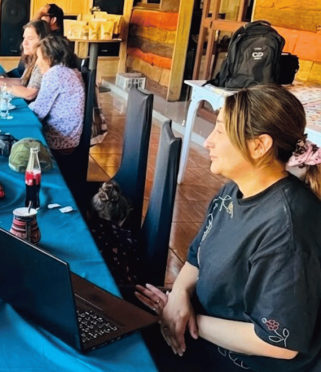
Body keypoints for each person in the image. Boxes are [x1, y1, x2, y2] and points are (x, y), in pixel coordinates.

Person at [137, 85, 321, 372]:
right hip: (199, 326)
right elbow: (196, 258)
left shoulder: (289, 228)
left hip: (235, 360)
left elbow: (279, 342)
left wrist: (184, 317)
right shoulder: (231, 192)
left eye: (220, 131)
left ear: (259, 146)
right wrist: (178, 297)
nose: (208, 141)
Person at [28, 35, 85, 157]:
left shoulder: (55, 74)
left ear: (50, 57)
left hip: (59, 141)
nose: (37, 62)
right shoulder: (68, 70)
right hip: (69, 138)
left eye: (38, 57)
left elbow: (38, 112)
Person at [87, 180, 138, 286]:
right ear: (122, 219)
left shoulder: (88, 232)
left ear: (89, 214)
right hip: (123, 290)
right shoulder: (128, 237)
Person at [0, 20, 51, 101]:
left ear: (43, 41)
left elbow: (30, 94)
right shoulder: (32, 57)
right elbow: (23, 81)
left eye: (30, 38)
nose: (24, 43)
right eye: (24, 38)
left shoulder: (43, 62)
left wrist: (3, 87)